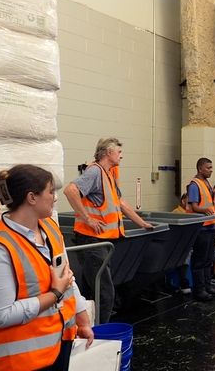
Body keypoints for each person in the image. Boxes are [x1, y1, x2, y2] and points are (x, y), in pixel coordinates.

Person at [0, 165, 94, 370]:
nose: (55, 198)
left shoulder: (50, 229)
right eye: (50, 191)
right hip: (20, 361)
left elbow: (67, 279)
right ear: (32, 198)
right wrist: (54, 293)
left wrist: (82, 319)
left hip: (57, 346)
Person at [63, 137, 151, 323]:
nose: (122, 156)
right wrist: (88, 219)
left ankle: (91, 329)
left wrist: (141, 223)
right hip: (92, 241)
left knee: (94, 290)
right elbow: (71, 190)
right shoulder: (95, 171)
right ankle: (100, 334)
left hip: (101, 242)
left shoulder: (108, 174)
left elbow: (121, 204)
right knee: (104, 294)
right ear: (108, 153)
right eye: (119, 152)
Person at [186, 158, 215, 301]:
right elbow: (194, 206)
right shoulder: (194, 185)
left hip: (209, 227)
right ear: (200, 169)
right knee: (200, 260)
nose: (211, 170)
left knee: (209, 259)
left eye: (211, 167)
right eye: (208, 168)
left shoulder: (206, 183)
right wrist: (205, 210)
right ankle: (199, 290)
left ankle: (208, 286)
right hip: (200, 229)